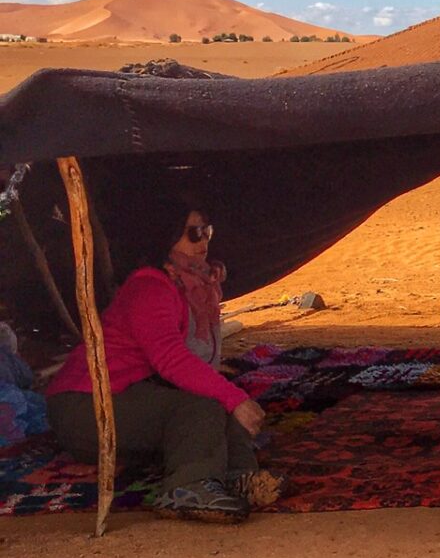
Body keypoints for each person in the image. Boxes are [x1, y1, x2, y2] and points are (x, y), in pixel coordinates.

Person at [44, 197, 275, 523]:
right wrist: (233, 398)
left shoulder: (190, 285)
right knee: (202, 406)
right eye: (193, 233)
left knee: (214, 402)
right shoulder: (150, 288)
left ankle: (240, 476)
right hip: (85, 406)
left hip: (125, 395)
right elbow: (171, 359)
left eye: (206, 231)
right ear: (166, 237)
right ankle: (187, 487)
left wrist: (229, 399)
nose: (203, 241)